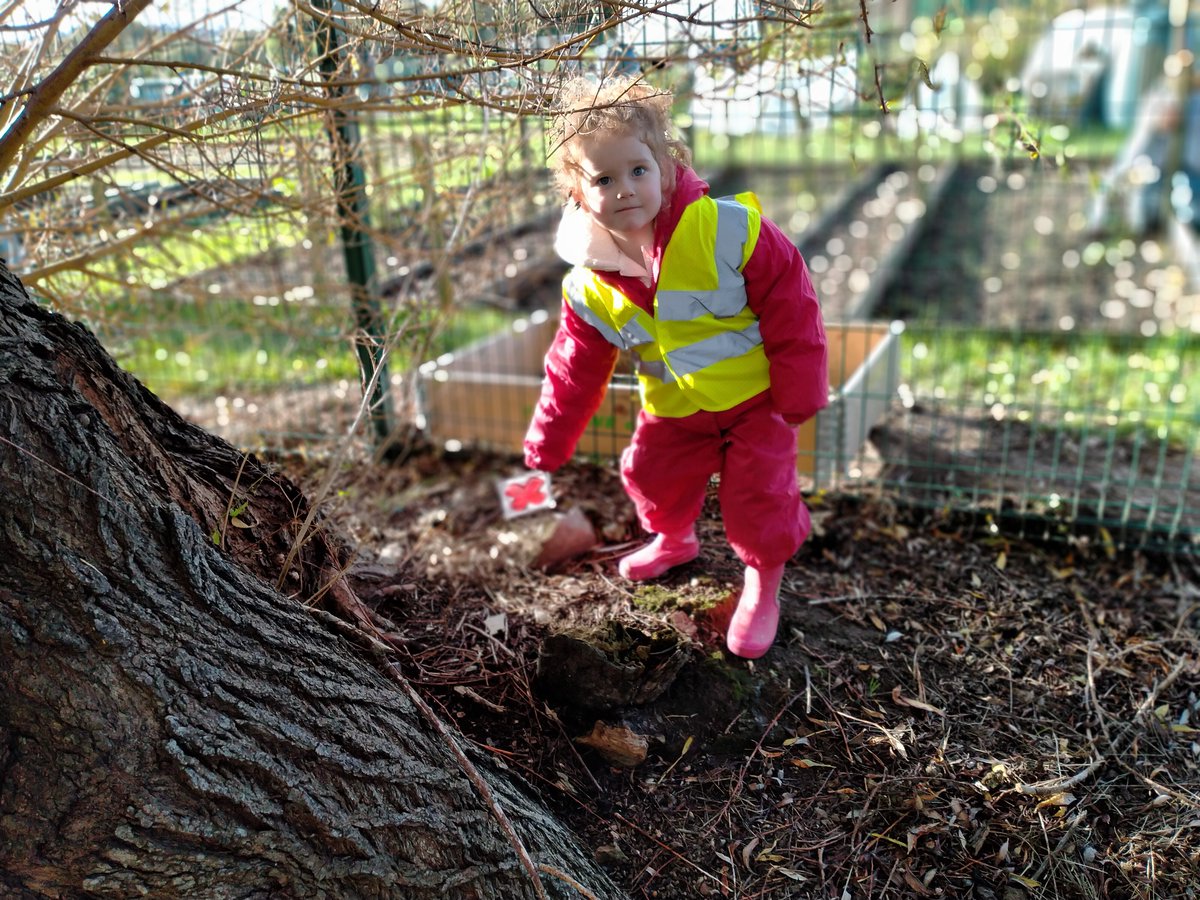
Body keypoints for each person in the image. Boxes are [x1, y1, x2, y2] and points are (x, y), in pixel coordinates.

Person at [523, 75, 828, 659]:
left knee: (760, 497)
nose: (625, 189)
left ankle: (763, 585)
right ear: (576, 192)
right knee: (651, 472)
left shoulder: (727, 230)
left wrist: (798, 391)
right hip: (674, 406)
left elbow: (793, 300)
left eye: (638, 169)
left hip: (754, 402)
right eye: (603, 178)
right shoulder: (587, 284)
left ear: (665, 164)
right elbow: (573, 367)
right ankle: (673, 537)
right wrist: (548, 441)